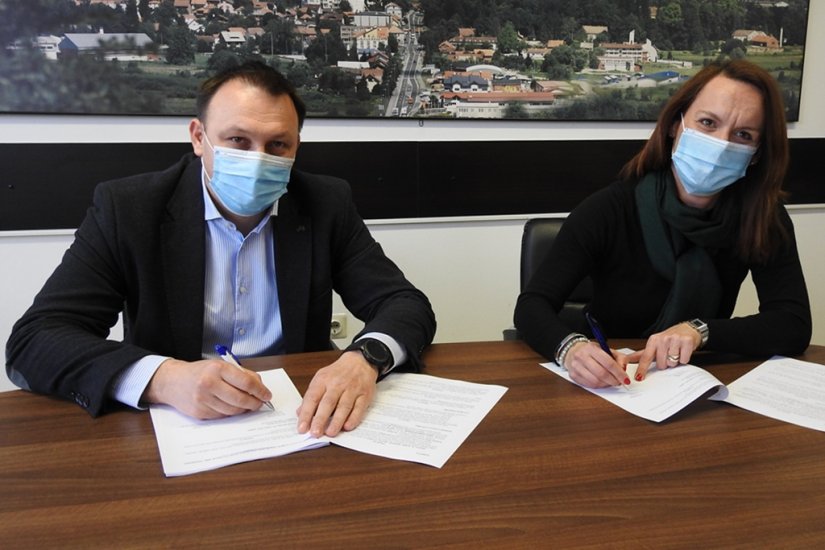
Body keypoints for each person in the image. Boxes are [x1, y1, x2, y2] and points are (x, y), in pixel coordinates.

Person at [6, 61, 436, 437]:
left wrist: (364, 358)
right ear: (199, 137)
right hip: (173, 425)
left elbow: (404, 304)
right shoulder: (129, 208)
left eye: (278, 145)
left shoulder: (325, 202)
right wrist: (163, 378)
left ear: (296, 148)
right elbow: (36, 340)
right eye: (238, 140)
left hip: (296, 418)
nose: (259, 159)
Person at [514, 59, 811, 389]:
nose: (721, 144)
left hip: (693, 381)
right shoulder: (610, 208)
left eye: (743, 134)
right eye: (708, 122)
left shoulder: (762, 216)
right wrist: (571, 349)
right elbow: (531, 306)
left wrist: (700, 330)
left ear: (756, 153)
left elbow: (793, 324)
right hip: (612, 380)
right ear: (674, 125)